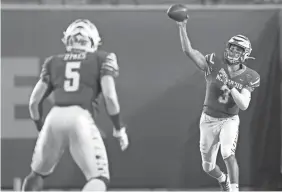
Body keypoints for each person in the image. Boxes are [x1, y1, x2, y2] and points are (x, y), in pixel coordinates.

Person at [22, 19, 129, 191]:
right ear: (93, 41)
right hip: (81, 117)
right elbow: (110, 97)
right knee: (99, 178)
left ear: (68, 40)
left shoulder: (53, 61)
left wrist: (40, 127)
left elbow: (34, 102)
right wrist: (119, 128)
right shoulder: (102, 58)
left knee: (37, 173)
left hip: (54, 116)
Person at [176, 17, 260, 191]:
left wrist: (230, 84)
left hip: (229, 119)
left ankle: (234, 189)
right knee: (207, 166)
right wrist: (182, 27)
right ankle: (223, 179)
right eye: (232, 48)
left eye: (238, 50)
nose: (233, 52)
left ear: (245, 54)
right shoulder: (213, 62)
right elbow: (189, 51)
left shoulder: (250, 76)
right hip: (208, 119)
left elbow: (243, 105)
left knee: (227, 152)